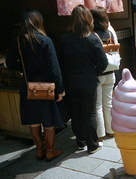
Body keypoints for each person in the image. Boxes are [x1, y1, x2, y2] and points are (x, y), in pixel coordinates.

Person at [6, 9, 64, 162]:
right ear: (38, 22)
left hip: (27, 86)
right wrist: (60, 89)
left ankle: (39, 151)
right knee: (49, 122)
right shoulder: (45, 40)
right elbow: (54, 67)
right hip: (44, 86)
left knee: (33, 120)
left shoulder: (18, 41)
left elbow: (10, 62)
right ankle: (50, 151)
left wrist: (24, 70)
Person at [58, 5, 108, 153]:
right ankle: (92, 145)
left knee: (76, 113)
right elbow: (103, 63)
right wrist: (95, 72)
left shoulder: (64, 39)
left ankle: (80, 142)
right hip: (88, 81)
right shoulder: (92, 39)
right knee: (90, 113)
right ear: (88, 20)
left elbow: (61, 61)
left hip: (70, 82)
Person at [90, 6, 116, 141]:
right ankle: (111, 130)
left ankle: (100, 134)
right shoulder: (110, 33)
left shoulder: (92, 35)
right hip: (110, 71)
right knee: (109, 103)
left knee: (98, 105)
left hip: (98, 73)